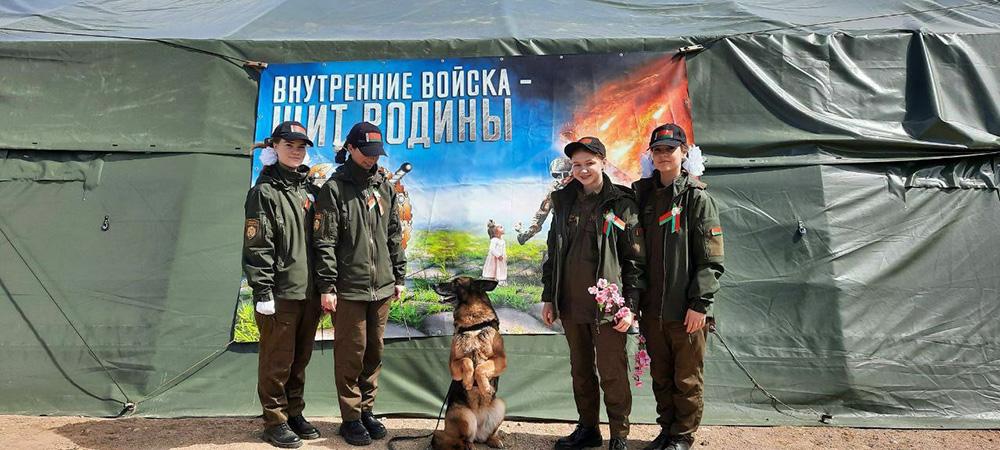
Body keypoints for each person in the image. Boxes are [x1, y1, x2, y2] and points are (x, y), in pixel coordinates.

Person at [540, 136, 646, 450]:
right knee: (581, 371)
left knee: (612, 372)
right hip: (572, 304)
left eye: (589, 163)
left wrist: (630, 306)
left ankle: (619, 435)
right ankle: (588, 429)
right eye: (577, 165)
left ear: (602, 162)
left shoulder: (621, 203)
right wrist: (549, 296)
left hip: (610, 307)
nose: (583, 170)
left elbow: (635, 261)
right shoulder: (563, 202)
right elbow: (552, 255)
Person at [313, 121, 407, 447]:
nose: (371, 159)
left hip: (381, 286)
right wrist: (327, 286)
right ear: (350, 149)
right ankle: (350, 418)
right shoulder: (334, 189)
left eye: (375, 154)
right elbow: (324, 242)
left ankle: (367, 410)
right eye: (365, 153)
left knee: (373, 352)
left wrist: (399, 276)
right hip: (348, 288)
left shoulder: (384, 186)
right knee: (351, 354)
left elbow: (394, 234)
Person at [631, 124, 725, 450]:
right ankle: (667, 431)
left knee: (686, 378)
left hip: (686, 310)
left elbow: (711, 259)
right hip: (653, 309)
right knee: (661, 375)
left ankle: (682, 436)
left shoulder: (697, 199)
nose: (663, 155)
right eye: (657, 150)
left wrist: (700, 305)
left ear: (683, 153)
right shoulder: (643, 196)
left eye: (670, 149)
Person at [243, 121, 323, 449]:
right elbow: (257, 244)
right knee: (277, 360)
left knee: (300, 358)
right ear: (274, 146)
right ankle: (274, 419)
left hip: (310, 291)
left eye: (301, 145)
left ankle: (294, 411)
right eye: (289, 144)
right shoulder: (263, 193)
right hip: (280, 292)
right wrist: (262, 291)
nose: (296, 150)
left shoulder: (310, 191)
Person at [482, 220, 509, 284]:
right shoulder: (494, 240)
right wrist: (498, 255)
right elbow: (492, 249)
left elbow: (503, 250)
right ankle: (491, 279)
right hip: (494, 258)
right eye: (501, 227)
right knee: (493, 268)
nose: (503, 228)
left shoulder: (502, 240)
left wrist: (504, 256)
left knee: (501, 268)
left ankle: (501, 280)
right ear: (496, 231)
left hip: (500, 259)